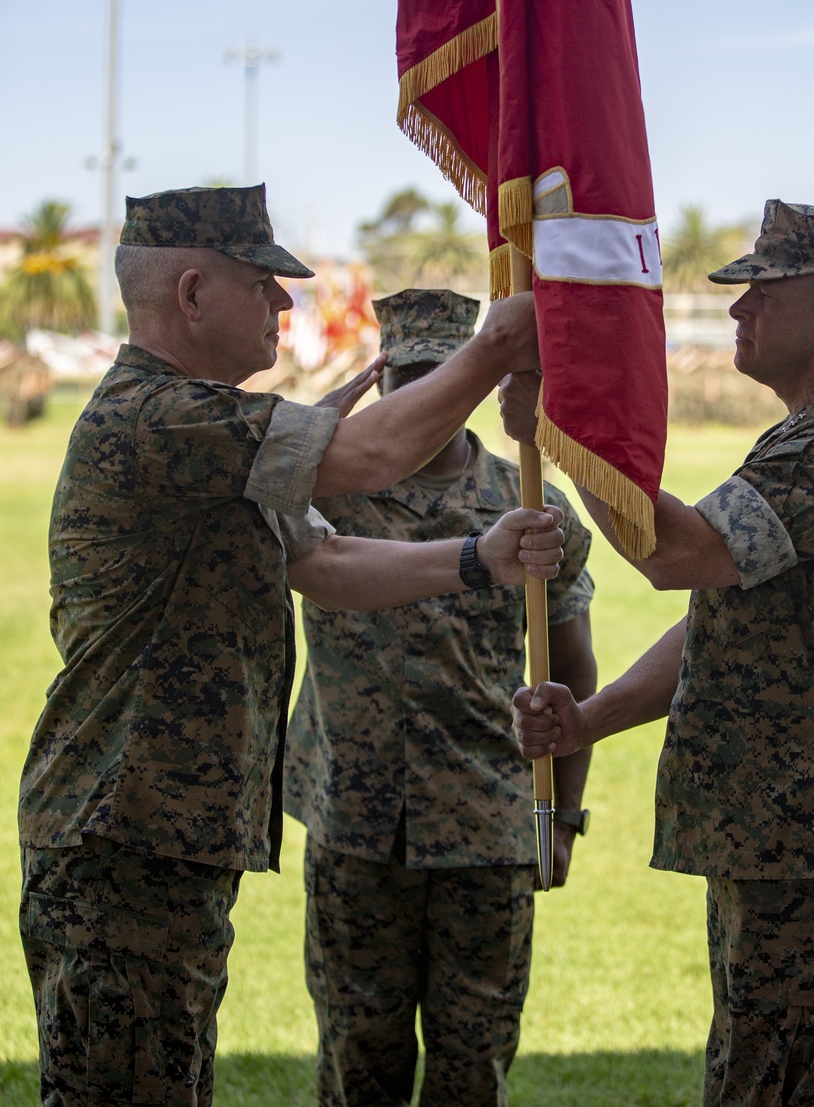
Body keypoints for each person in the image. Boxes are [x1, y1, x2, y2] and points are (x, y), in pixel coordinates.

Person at [18, 185, 564, 1107]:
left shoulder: (201, 425)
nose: (285, 304)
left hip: (163, 836)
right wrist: (497, 348)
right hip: (123, 837)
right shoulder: (159, 417)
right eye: (264, 283)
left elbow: (327, 557)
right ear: (192, 293)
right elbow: (368, 462)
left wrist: (476, 556)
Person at [506, 201, 814, 1107]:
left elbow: (679, 554)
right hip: (789, 856)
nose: (738, 310)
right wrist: (590, 718)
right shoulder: (808, 437)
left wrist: (563, 431)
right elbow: (719, 618)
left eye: (761, 294)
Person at [283, 287, 597, 1107]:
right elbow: (256, 480)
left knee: (473, 1067)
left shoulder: (528, 504)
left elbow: (570, 668)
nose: (422, 395)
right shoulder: (329, 492)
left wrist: (562, 817)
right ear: (384, 382)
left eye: (440, 373)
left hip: (486, 826)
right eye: (405, 378)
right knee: (359, 1064)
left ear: (473, 380)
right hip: (356, 828)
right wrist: (319, 426)